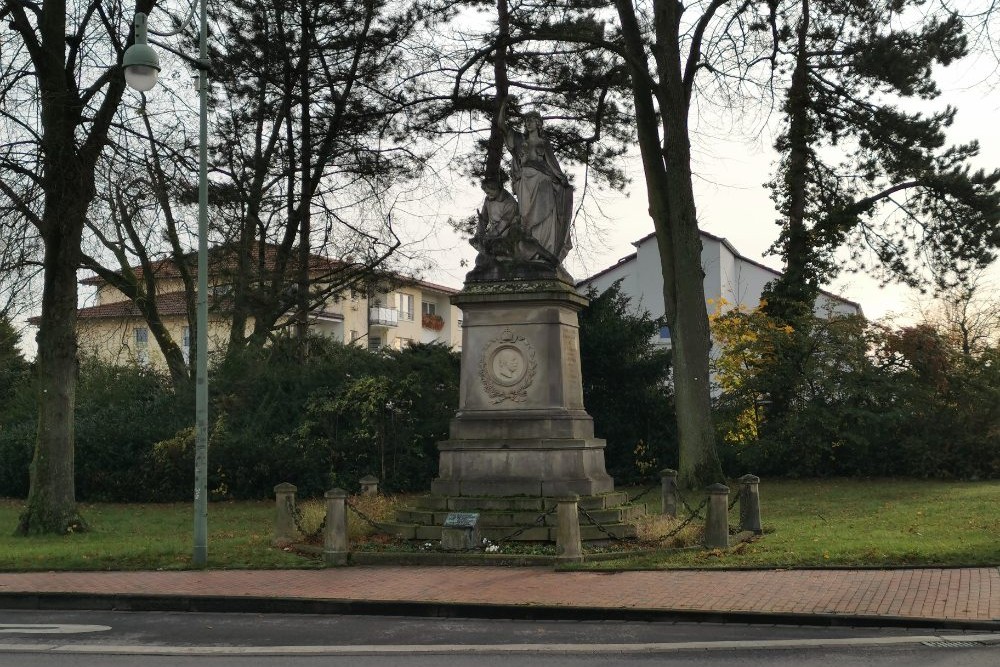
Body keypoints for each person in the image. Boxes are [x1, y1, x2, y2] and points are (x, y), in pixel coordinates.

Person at [498, 101, 573, 263]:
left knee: (545, 217)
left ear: (539, 124)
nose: (528, 123)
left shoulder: (544, 144)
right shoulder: (519, 141)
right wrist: (504, 106)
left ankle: (544, 252)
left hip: (543, 183)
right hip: (525, 183)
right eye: (526, 121)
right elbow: (501, 126)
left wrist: (562, 182)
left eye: (532, 120)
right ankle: (528, 252)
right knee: (525, 218)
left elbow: (553, 167)